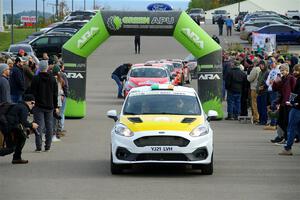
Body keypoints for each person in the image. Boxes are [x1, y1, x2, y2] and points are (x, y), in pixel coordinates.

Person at [0, 94, 38, 164]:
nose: (33, 105)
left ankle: (17, 158)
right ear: (28, 102)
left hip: (8, 127)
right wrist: (32, 125)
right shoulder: (24, 108)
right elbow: (24, 122)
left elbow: (19, 121)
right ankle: (16, 158)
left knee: (22, 137)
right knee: (11, 149)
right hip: (8, 128)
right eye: (33, 103)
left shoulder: (19, 105)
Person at [31, 60, 58, 152]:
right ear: (47, 68)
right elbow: (55, 94)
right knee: (49, 126)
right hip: (50, 105)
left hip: (38, 105)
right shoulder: (52, 79)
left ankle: (38, 146)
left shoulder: (36, 78)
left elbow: (32, 92)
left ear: (39, 67)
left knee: (38, 126)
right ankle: (48, 146)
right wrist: (56, 106)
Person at [271, 64, 296, 143]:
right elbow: (275, 89)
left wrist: (291, 101)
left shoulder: (291, 78)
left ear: (287, 70)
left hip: (288, 103)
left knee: (286, 121)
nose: (281, 72)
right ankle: (283, 137)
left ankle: (287, 138)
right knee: (281, 121)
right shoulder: (283, 78)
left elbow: (294, 91)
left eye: (283, 70)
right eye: (281, 70)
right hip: (282, 103)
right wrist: (275, 82)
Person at [279, 64, 300, 155]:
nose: (294, 72)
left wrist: (292, 102)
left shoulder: (296, 80)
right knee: (298, 128)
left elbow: (295, 93)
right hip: (295, 105)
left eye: (296, 70)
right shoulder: (297, 79)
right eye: (294, 70)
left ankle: (287, 148)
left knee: (291, 128)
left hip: (296, 107)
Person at [247, 59, 261, 123]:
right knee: (260, 103)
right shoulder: (262, 69)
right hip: (260, 88)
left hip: (254, 88)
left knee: (254, 103)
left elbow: (250, 79)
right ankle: (260, 117)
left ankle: (256, 117)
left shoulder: (255, 69)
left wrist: (247, 76)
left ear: (255, 63)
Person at [256, 60, 269, 125]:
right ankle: (260, 120)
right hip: (259, 92)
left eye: (262, 64)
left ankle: (263, 120)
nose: (261, 66)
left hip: (264, 92)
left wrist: (263, 87)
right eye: (260, 65)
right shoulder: (261, 72)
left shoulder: (267, 72)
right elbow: (258, 81)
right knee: (259, 107)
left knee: (263, 107)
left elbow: (268, 82)